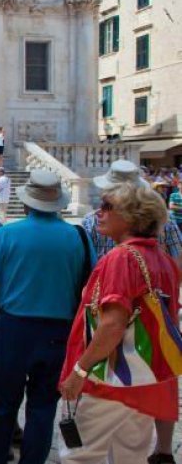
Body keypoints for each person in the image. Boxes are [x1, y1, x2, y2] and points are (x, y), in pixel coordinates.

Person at [58, 183, 180, 463]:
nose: (98, 212)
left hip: (108, 380)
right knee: (130, 456)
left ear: (131, 216)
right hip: (146, 380)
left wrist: (79, 370)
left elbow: (112, 324)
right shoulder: (163, 260)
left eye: (107, 206)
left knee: (79, 456)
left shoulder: (121, 257)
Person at [0, 171, 92, 464]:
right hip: (59, 332)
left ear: (28, 202)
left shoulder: (7, 234)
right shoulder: (77, 236)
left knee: (3, 403)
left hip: (14, 328)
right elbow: (89, 284)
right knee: (43, 407)